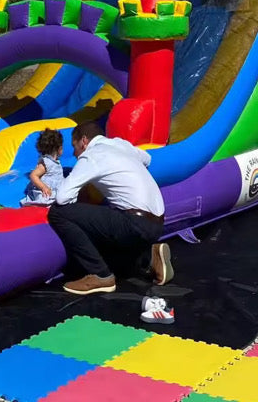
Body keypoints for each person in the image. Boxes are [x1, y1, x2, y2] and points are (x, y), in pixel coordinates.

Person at [47, 120, 172, 295]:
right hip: (157, 223)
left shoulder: (91, 156)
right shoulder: (119, 144)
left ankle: (100, 275)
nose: (75, 154)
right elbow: (147, 159)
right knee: (106, 231)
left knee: (58, 213)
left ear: (84, 141)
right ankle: (149, 257)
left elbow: (62, 197)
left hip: (134, 223)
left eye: (75, 147)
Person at [20, 129, 65, 207]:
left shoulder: (54, 161)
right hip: (45, 191)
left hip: (54, 189)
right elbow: (33, 175)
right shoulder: (46, 163)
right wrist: (43, 187)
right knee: (46, 200)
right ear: (59, 148)